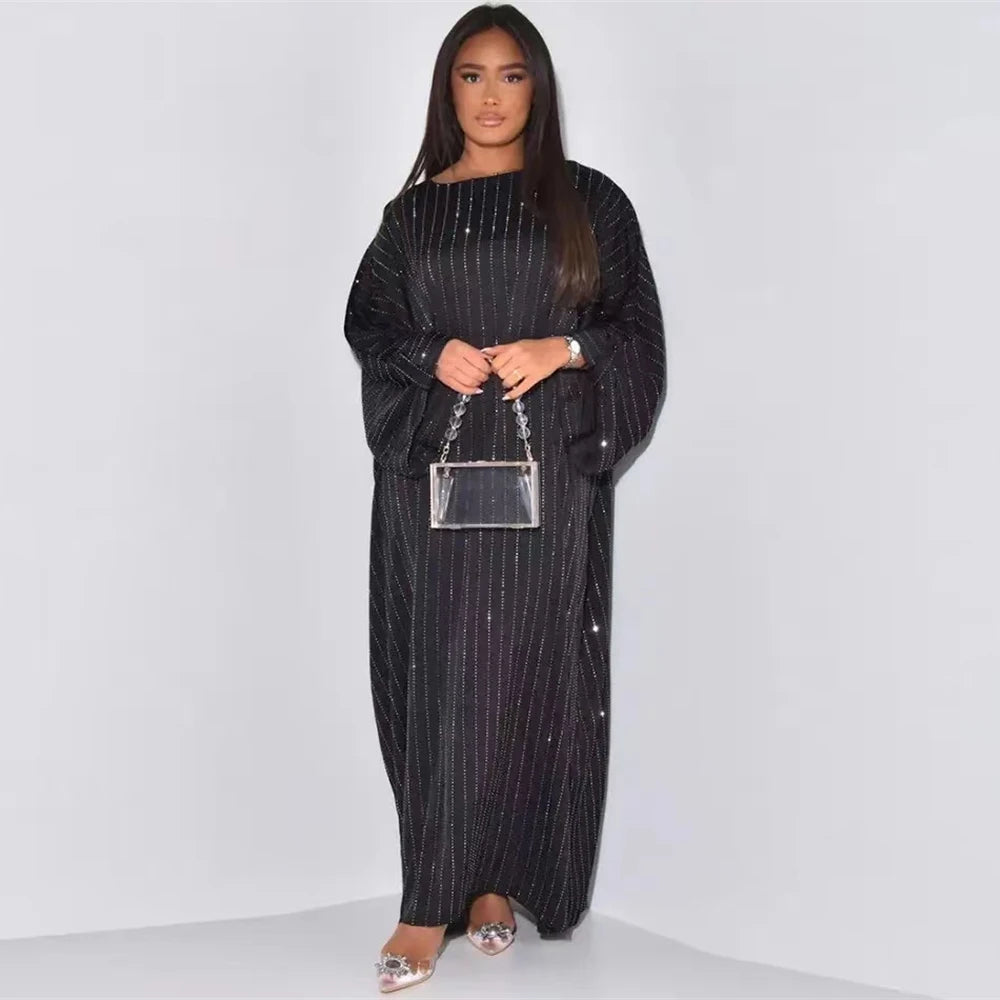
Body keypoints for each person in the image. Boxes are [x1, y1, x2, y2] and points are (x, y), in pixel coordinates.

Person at [343, 3, 666, 992]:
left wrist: (560, 347)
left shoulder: (590, 200)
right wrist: (425, 353)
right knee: (439, 675)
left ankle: (496, 884)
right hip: (433, 473)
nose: (491, 96)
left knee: (529, 674)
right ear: (448, 90)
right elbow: (367, 325)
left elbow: (636, 331)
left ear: (539, 88)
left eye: (512, 75)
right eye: (472, 75)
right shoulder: (411, 217)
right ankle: (427, 902)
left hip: (548, 473)